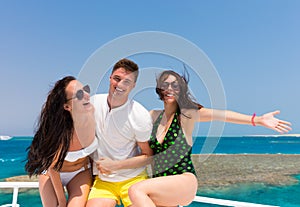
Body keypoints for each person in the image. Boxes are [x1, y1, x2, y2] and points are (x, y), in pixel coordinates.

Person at [128, 70, 292, 207]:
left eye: (175, 85)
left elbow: (222, 115)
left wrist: (258, 119)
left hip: (183, 180)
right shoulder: (153, 116)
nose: (170, 88)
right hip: (160, 184)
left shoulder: (187, 115)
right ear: (159, 90)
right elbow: (133, 139)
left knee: (136, 190)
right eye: (165, 85)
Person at [86, 58, 153, 207]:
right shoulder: (93, 104)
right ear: (110, 78)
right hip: (104, 182)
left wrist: (115, 165)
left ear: (133, 86)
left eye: (127, 82)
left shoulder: (139, 115)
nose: (120, 85)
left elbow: (148, 156)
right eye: (117, 78)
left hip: (134, 180)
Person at [25, 76, 97, 207]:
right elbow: (53, 167)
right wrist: (62, 200)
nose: (86, 95)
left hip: (80, 172)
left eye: (86, 89)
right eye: (79, 94)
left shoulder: (95, 116)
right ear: (67, 106)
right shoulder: (61, 133)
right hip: (52, 175)